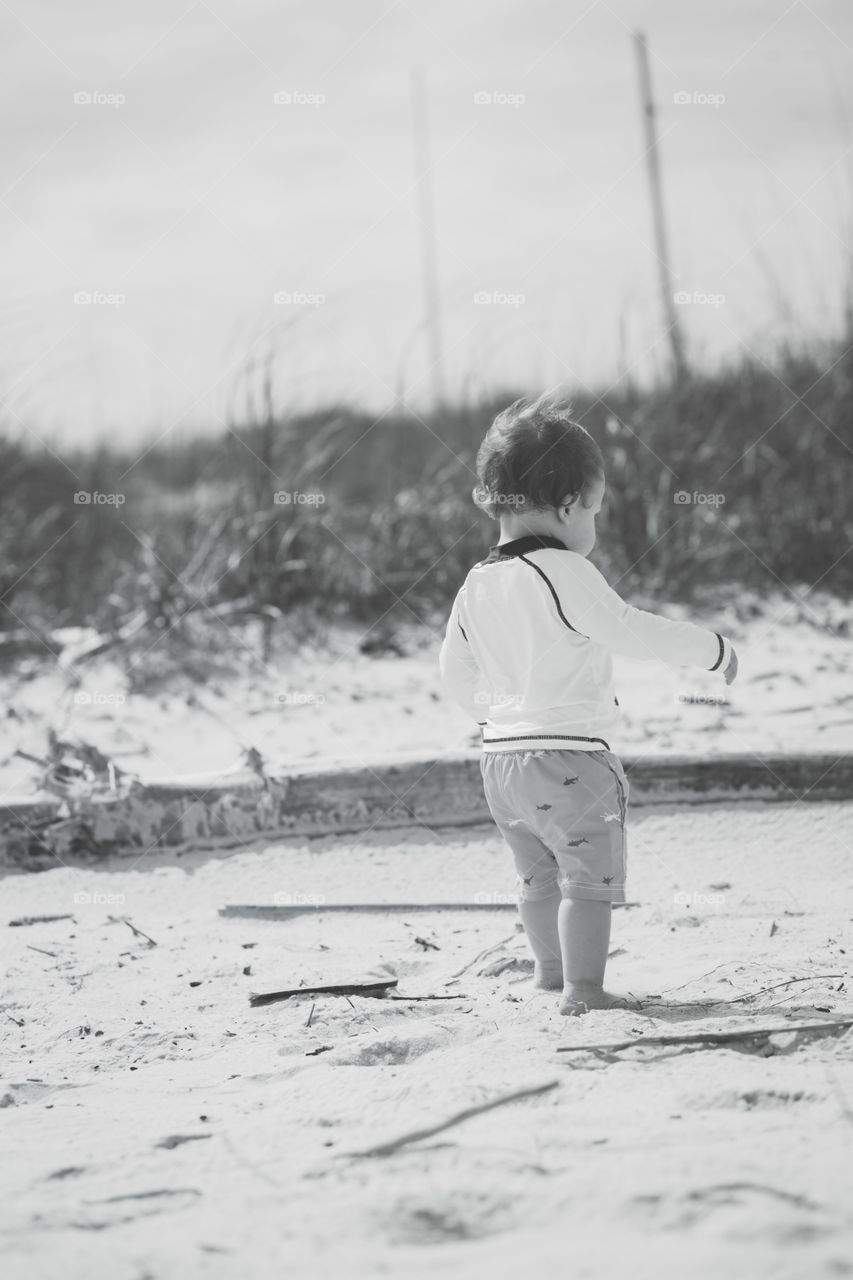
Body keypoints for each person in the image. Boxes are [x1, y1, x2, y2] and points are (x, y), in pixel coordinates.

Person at [439, 394, 738, 1015]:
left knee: (538, 878)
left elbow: (455, 674)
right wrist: (707, 649)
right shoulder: (562, 568)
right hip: (571, 758)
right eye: (595, 510)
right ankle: (584, 990)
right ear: (568, 505)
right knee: (588, 881)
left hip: (500, 765)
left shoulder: (476, 582)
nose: (595, 526)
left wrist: (500, 715)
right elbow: (626, 629)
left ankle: (551, 974)